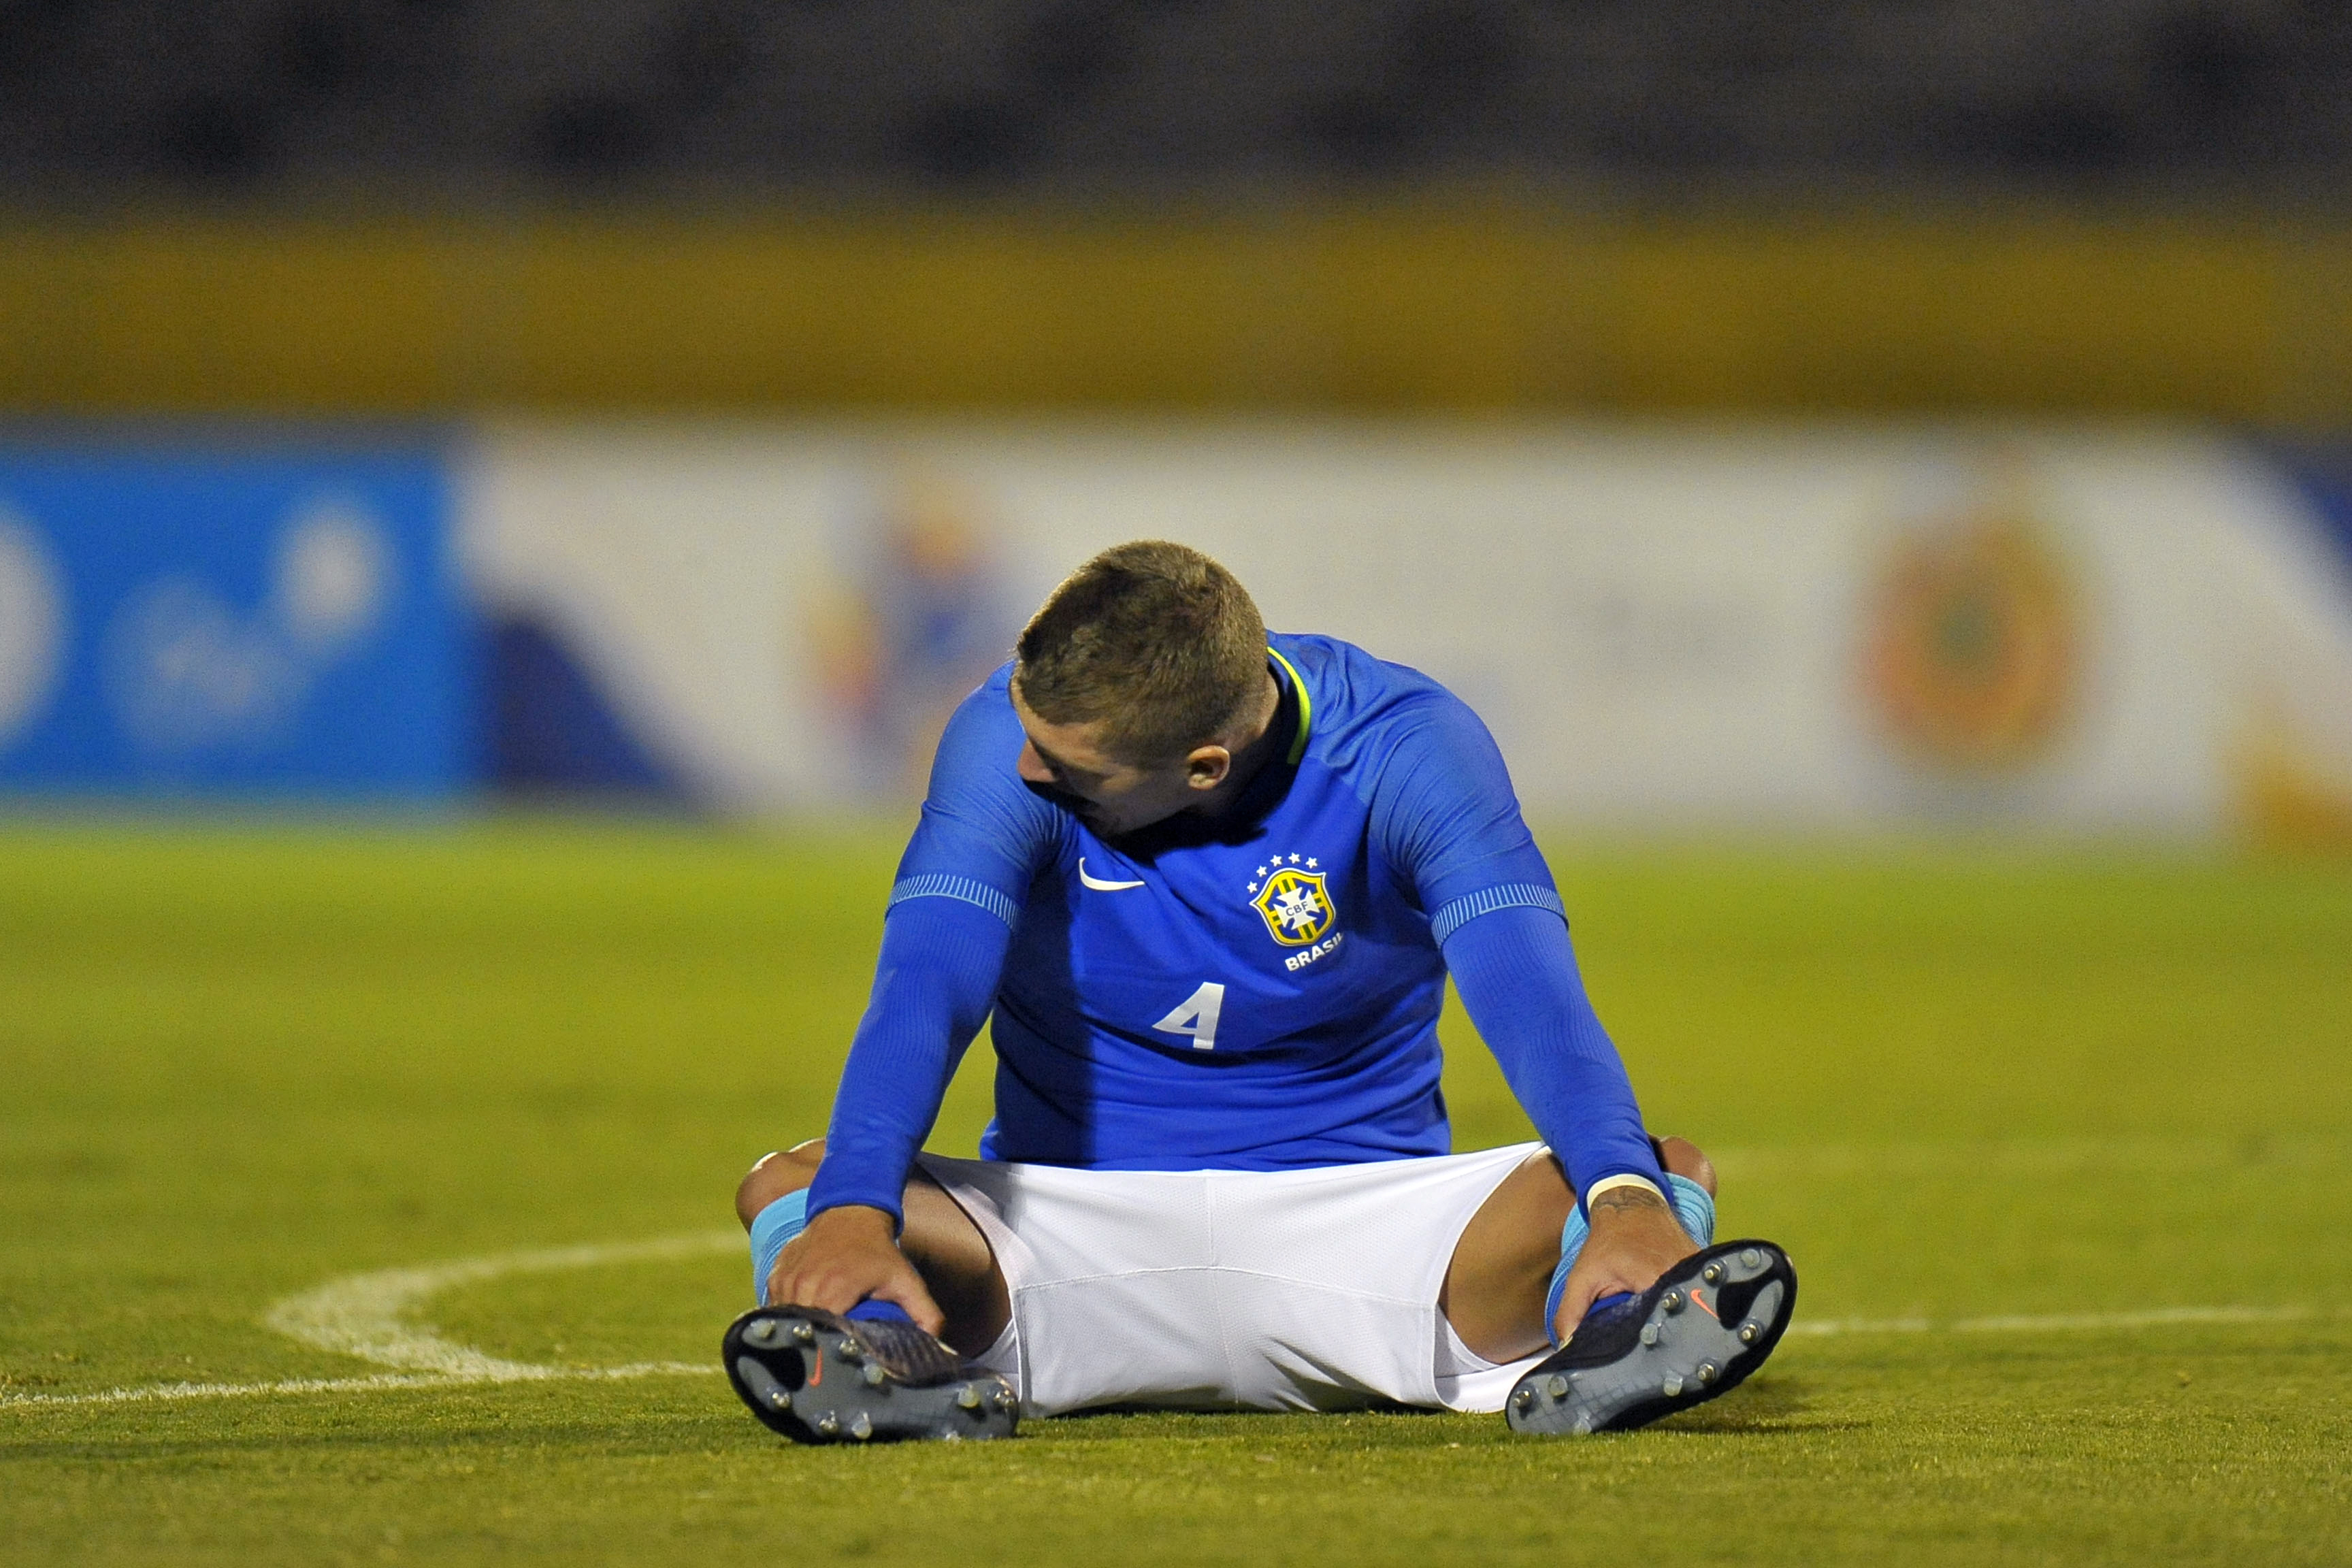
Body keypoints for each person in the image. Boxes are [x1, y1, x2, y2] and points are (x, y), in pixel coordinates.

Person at [723, 540, 1794, 1443]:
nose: (1031, 777)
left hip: (1377, 1239)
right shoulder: (1007, 745)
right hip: (1064, 1233)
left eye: (1074, 772)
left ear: (1201, 767)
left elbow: (1530, 992)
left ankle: (1612, 1329)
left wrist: (1622, 1198)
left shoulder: (1405, 751)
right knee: (800, 1183)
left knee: (1645, 1176)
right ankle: (890, 1350)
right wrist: (858, 1212)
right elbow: (929, 982)